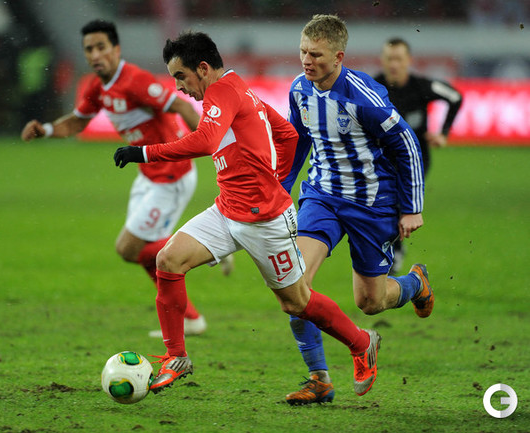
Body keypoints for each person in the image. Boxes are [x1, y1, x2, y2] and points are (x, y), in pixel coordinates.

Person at [114, 31, 382, 397]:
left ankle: (361, 343)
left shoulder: (222, 92)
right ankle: (177, 358)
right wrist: (277, 179)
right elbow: (287, 135)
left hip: (265, 221)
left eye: (180, 76)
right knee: (168, 260)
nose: (178, 87)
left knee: (296, 302)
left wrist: (144, 152)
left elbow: (207, 140)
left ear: (203, 68)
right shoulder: (238, 88)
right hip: (227, 209)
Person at [20, 19, 221, 337]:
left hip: (171, 174)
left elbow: (182, 107)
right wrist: (44, 129)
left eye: (101, 47)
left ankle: (206, 247)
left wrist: (214, 143)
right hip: (147, 175)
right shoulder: (97, 88)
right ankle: (191, 317)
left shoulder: (135, 81)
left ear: (116, 49)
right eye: (89, 49)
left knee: (128, 248)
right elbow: (76, 123)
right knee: (140, 252)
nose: (95, 55)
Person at [281, 15, 434, 406]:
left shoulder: (364, 96)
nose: (307, 60)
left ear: (338, 57)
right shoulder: (299, 89)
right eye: (303, 52)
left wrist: (411, 208)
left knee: (370, 302)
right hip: (322, 197)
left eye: (316, 54)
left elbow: (407, 144)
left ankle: (415, 283)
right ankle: (319, 378)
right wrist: (281, 188)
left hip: (372, 205)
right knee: (294, 285)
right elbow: (297, 140)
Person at [375, 37, 462, 274]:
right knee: (385, 205)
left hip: (416, 160)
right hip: (383, 159)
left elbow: (455, 97)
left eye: (398, 59)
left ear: (408, 61)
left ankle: (394, 251)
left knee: (398, 203)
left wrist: (443, 133)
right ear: (383, 60)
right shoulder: (373, 87)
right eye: (389, 59)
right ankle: (394, 250)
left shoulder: (421, 86)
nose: (394, 64)